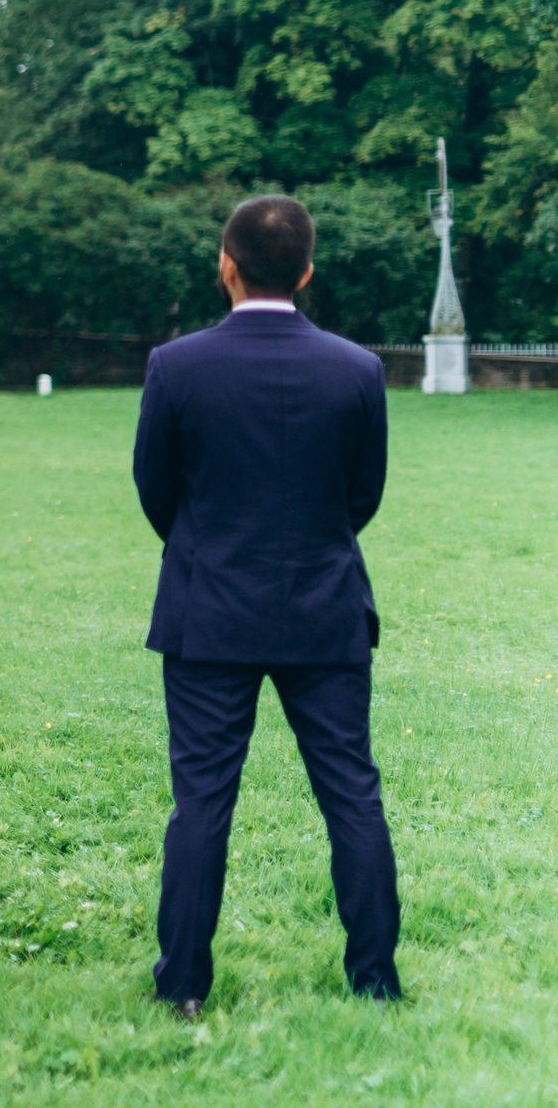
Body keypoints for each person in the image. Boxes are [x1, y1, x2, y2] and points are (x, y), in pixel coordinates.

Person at [133, 194, 400, 1016]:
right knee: (352, 794)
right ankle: (375, 982)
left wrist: (207, 546)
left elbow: (156, 488)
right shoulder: (358, 370)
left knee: (201, 803)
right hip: (324, 605)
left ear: (226, 265)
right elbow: (362, 493)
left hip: (209, 607)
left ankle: (183, 986)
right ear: (307, 272)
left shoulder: (175, 366)